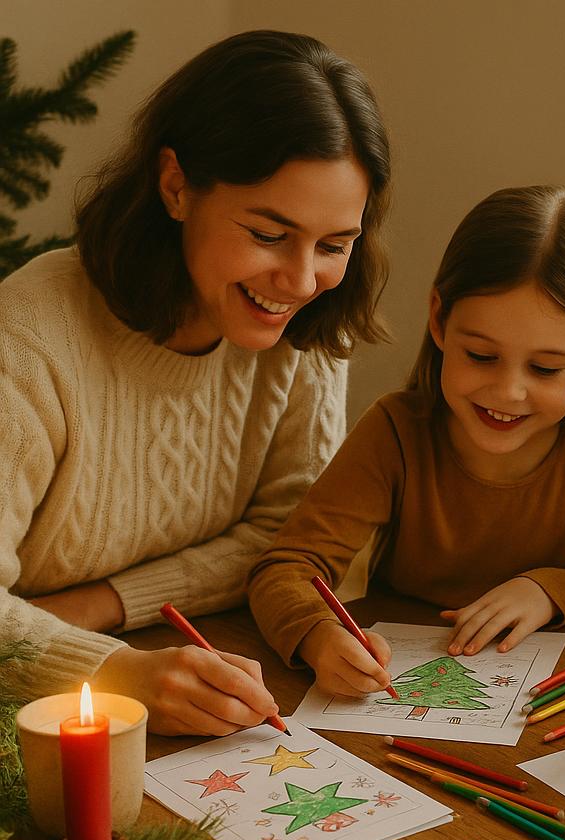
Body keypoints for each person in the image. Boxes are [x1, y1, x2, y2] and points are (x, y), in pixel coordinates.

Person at [0, 30, 392, 735]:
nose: (301, 280)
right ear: (176, 186)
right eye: (268, 235)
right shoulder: (27, 339)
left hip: (176, 651)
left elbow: (284, 536)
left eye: (335, 245)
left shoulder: (303, 327)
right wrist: (113, 672)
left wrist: (103, 603)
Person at [248, 185, 565, 696]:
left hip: (554, 699)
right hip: (401, 692)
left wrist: (549, 590)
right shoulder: (396, 431)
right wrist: (319, 636)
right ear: (440, 320)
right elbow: (287, 569)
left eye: (545, 368)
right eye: (482, 356)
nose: (508, 392)